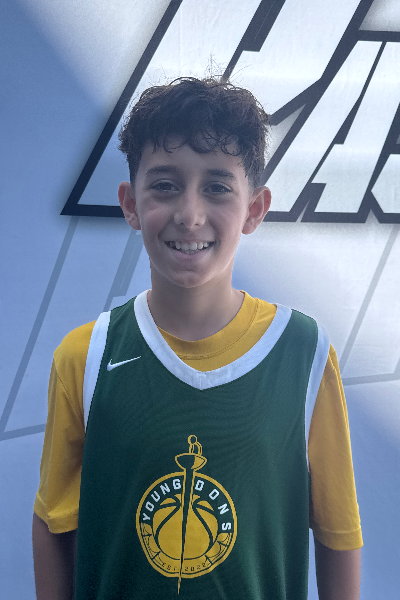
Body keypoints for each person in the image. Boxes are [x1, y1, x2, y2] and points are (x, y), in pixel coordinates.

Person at [32, 77, 362, 600]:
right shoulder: (86, 356)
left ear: (254, 209)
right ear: (130, 204)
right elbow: (54, 521)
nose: (190, 215)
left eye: (217, 187)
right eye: (165, 185)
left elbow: (337, 533)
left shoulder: (303, 352)